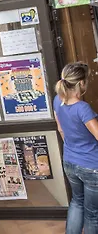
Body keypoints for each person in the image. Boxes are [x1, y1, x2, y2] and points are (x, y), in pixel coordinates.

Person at [53, 62, 98, 234]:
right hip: (91, 166)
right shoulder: (82, 108)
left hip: (70, 162)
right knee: (92, 214)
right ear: (80, 83)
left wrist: (73, 149)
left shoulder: (57, 100)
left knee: (77, 202)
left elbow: (60, 129)